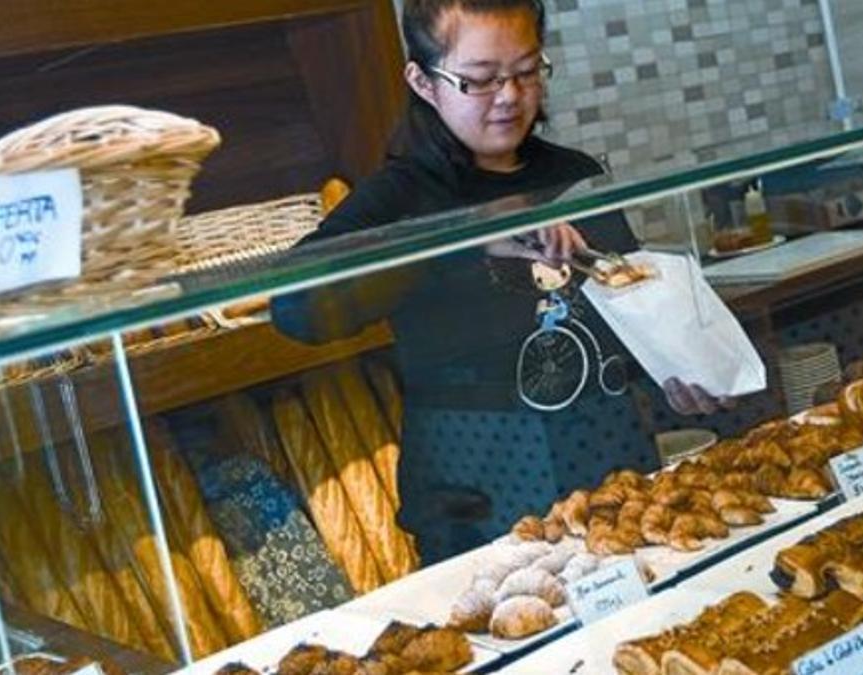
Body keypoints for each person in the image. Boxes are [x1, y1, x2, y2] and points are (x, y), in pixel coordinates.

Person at [274, 0, 740, 562]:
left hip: (608, 469)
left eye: (525, 72)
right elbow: (298, 309)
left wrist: (675, 371)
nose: (511, 96)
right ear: (423, 81)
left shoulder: (574, 176)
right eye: (480, 80)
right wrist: (468, 237)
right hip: (479, 496)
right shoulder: (400, 196)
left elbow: (629, 307)